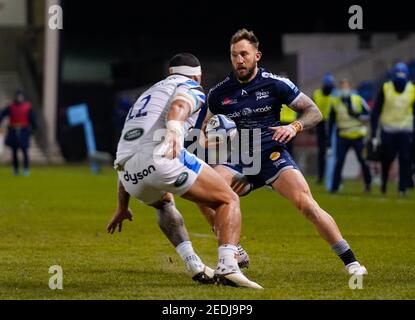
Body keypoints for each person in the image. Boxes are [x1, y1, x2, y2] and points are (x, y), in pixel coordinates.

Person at [196, 29, 367, 276]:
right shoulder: (219, 93)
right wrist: (210, 142)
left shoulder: (276, 83)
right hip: (240, 158)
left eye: (244, 54)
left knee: (306, 204)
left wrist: (294, 126)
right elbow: (201, 130)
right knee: (204, 195)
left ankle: (352, 263)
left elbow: (314, 112)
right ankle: (235, 250)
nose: (239, 60)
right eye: (234, 55)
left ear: (257, 55)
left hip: (271, 154)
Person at [106, 52, 262, 289]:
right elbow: (181, 104)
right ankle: (229, 265)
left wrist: (122, 206)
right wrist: (175, 129)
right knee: (228, 199)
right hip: (161, 156)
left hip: (128, 174)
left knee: (164, 203)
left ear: (169, 73)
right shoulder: (190, 85)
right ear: (198, 76)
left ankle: (193, 264)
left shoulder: (146, 95)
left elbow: (128, 151)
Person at [370, 62, 415, 196]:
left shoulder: (412, 89)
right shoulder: (386, 88)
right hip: (388, 130)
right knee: (387, 159)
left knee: (405, 159)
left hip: (406, 130)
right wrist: (373, 133)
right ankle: (384, 182)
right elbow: (376, 111)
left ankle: (402, 189)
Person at [328, 79, 372, 193]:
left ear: (350, 87)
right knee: (339, 162)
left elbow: (368, 115)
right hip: (343, 135)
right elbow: (331, 121)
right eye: (342, 87)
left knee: (363, 161)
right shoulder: (335, 102)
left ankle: (368, 184)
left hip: (358, 136)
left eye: (346, 87)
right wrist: (328, 140)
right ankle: (334, 187)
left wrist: (356, 114)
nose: (344, 90)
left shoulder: (358, 99)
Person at [0, 90, 36, 176]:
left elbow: (33, 119)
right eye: (18, 96)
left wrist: (33, 129)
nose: (19, 98)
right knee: (14, 151)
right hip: (13, 130)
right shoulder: (11, 107)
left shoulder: (27, 107)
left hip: (24, 131)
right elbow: (2, 114)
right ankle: (15, 169)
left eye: (20, 96)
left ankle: (26, 169)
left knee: (24, 150)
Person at [313, 73, 336, 184]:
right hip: (320, 125)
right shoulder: (317, 94)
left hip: (331, 125)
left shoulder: (334, 96)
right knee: (322, 153)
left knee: (331, 153)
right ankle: (321, 177)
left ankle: (332, 177)